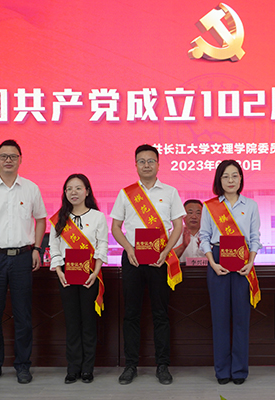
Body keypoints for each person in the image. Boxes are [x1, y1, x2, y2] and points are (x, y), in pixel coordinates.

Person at [0, 139, 47, 384]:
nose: (8, 160)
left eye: (13, 156)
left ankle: (23, 366)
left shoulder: (31, 188)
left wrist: (37, 249)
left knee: (23, 314)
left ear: (20, 159)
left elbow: (41, 220)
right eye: (4, 156)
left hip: (23, 257)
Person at [110, 144, 185, 385]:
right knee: (131, 314)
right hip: (132, 259)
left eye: (150, 161)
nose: (146, 165)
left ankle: (162, 365)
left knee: (160, 313)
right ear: (135, 165)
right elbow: (115, 227)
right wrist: (128, 248)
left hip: (160, 259)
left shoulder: (170, 192)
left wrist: (166, 251)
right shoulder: (126, 193)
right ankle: (130, 365)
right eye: (141, 161)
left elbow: (178, 226)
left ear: (158, 164)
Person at [200, 160, 261, 385]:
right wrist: (212, 263)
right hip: (218, 261)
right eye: (225, 176)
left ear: (241, 178)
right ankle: (222, 370)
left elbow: (254, 237)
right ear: (219, 180)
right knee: (220, 318)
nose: (230, 180)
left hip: (243, 261)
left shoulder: (251, 205)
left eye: (235, 175)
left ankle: (239, 370)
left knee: (241, 319)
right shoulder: (210, 206)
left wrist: (251, 262)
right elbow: (204, 237)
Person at [49, 174, 107, 384]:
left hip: (90, 273)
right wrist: (59, 271)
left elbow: (102, 245)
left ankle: (87, 369)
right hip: (66, 274)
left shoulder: (98, 217)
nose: (73, 192)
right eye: (69, 189)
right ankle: (73, 368)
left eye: (78, 188)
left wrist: (95, 272)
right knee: (72, 322)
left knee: (88, 322)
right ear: (65, 193)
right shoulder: (59, 218)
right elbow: (54, 247)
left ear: (87, 191)